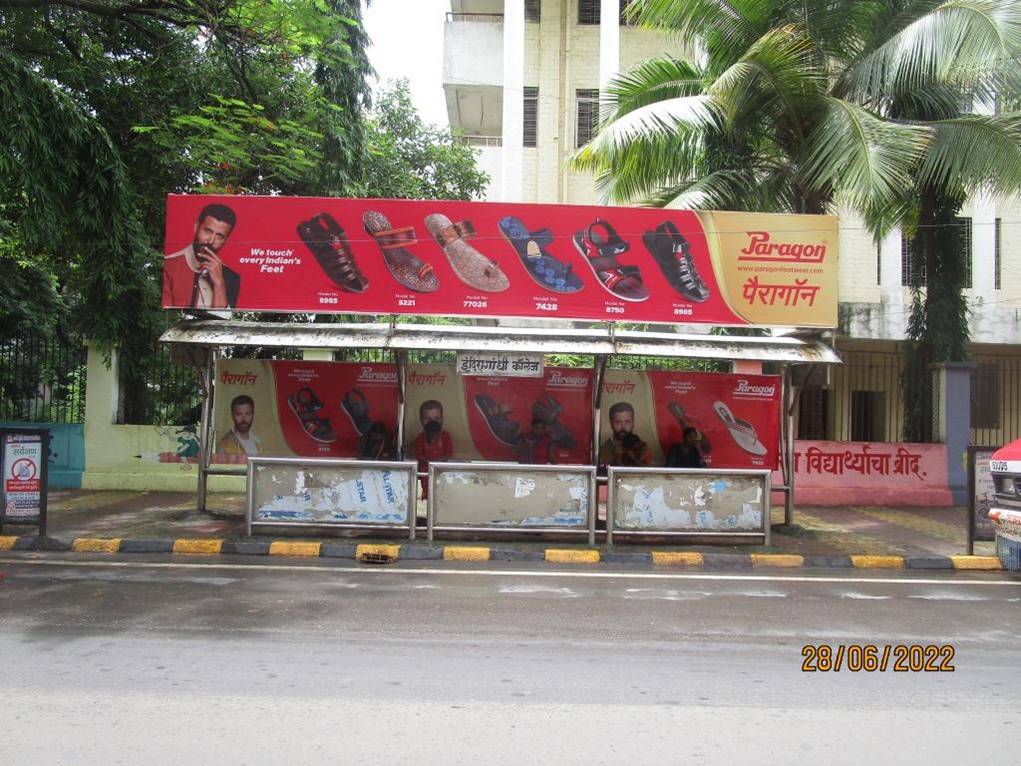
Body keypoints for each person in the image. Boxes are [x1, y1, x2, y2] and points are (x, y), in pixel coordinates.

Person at [163, 203, 242, 309]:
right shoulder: (169, 265)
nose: (211, 241)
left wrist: (219, 284)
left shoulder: (232, 277)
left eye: (219, 236)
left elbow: (224, 322)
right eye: (208, 231)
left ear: (226, 240)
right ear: (196, 227)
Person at [413, 400, 453, 499]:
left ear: (442, 419)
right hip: (426, 469)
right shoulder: (421, 437)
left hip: (442, 469)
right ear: (421, 420)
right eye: (428, 418)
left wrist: (440, 462)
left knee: (442, 491)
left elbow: (449, 452)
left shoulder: (445, 436)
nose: (432, 422)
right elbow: (418, 454)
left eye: (436, 418)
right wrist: (429, 462)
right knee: (428, 492)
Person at [599, 401, 652, 467]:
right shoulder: (604, 451)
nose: (623, 427)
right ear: (611, 423)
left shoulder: (642, 447)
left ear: (633, 422)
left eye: (627, 422)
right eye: (618, 422)